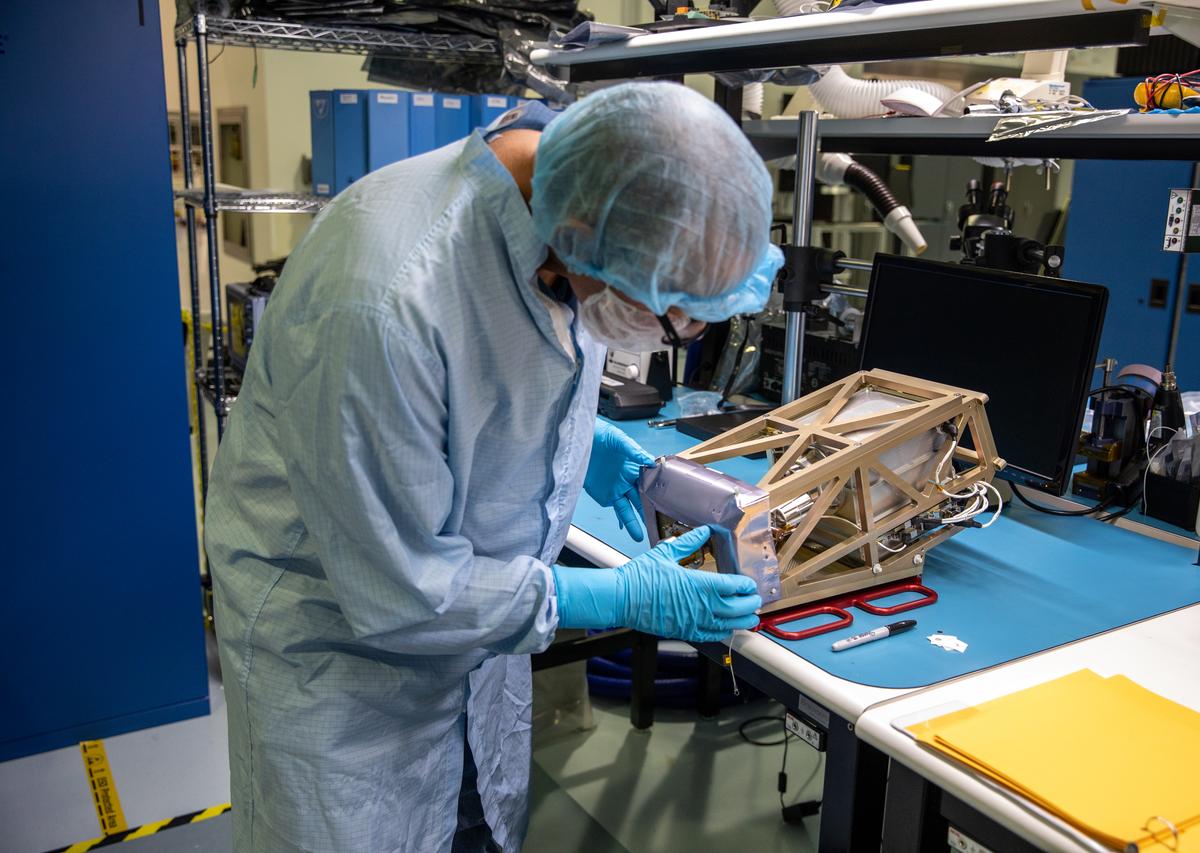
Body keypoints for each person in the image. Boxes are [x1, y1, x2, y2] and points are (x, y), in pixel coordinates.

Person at [204, 80, 783, 853]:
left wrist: (581, 450)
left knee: (477, 823)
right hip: (345, 667)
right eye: (665, 311)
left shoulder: (578, 212)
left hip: (474, 644)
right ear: (581, 234)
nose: (667, 329)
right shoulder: (386, 300)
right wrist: (621, 594)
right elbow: (402, 590)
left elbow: (507, 373)